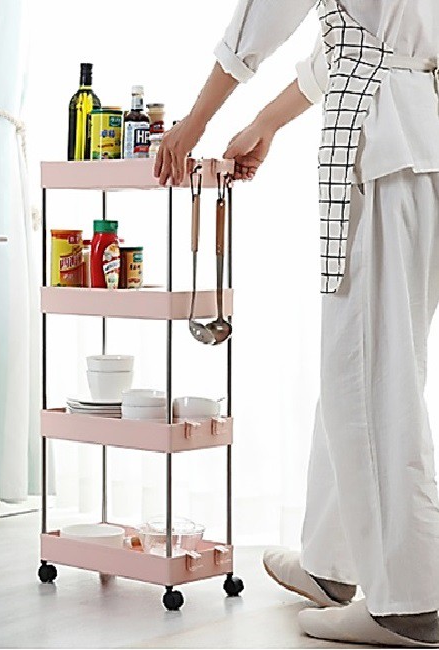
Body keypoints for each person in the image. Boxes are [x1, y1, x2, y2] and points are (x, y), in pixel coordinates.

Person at [155, 1, 439, 647]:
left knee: (371, 384)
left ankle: (408, 602)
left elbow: (261, 17)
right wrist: (264, 123)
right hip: (421, 144)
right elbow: (347, 49)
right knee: (365, 369)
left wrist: (194, 124)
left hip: (383, 149)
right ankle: (332, 566)